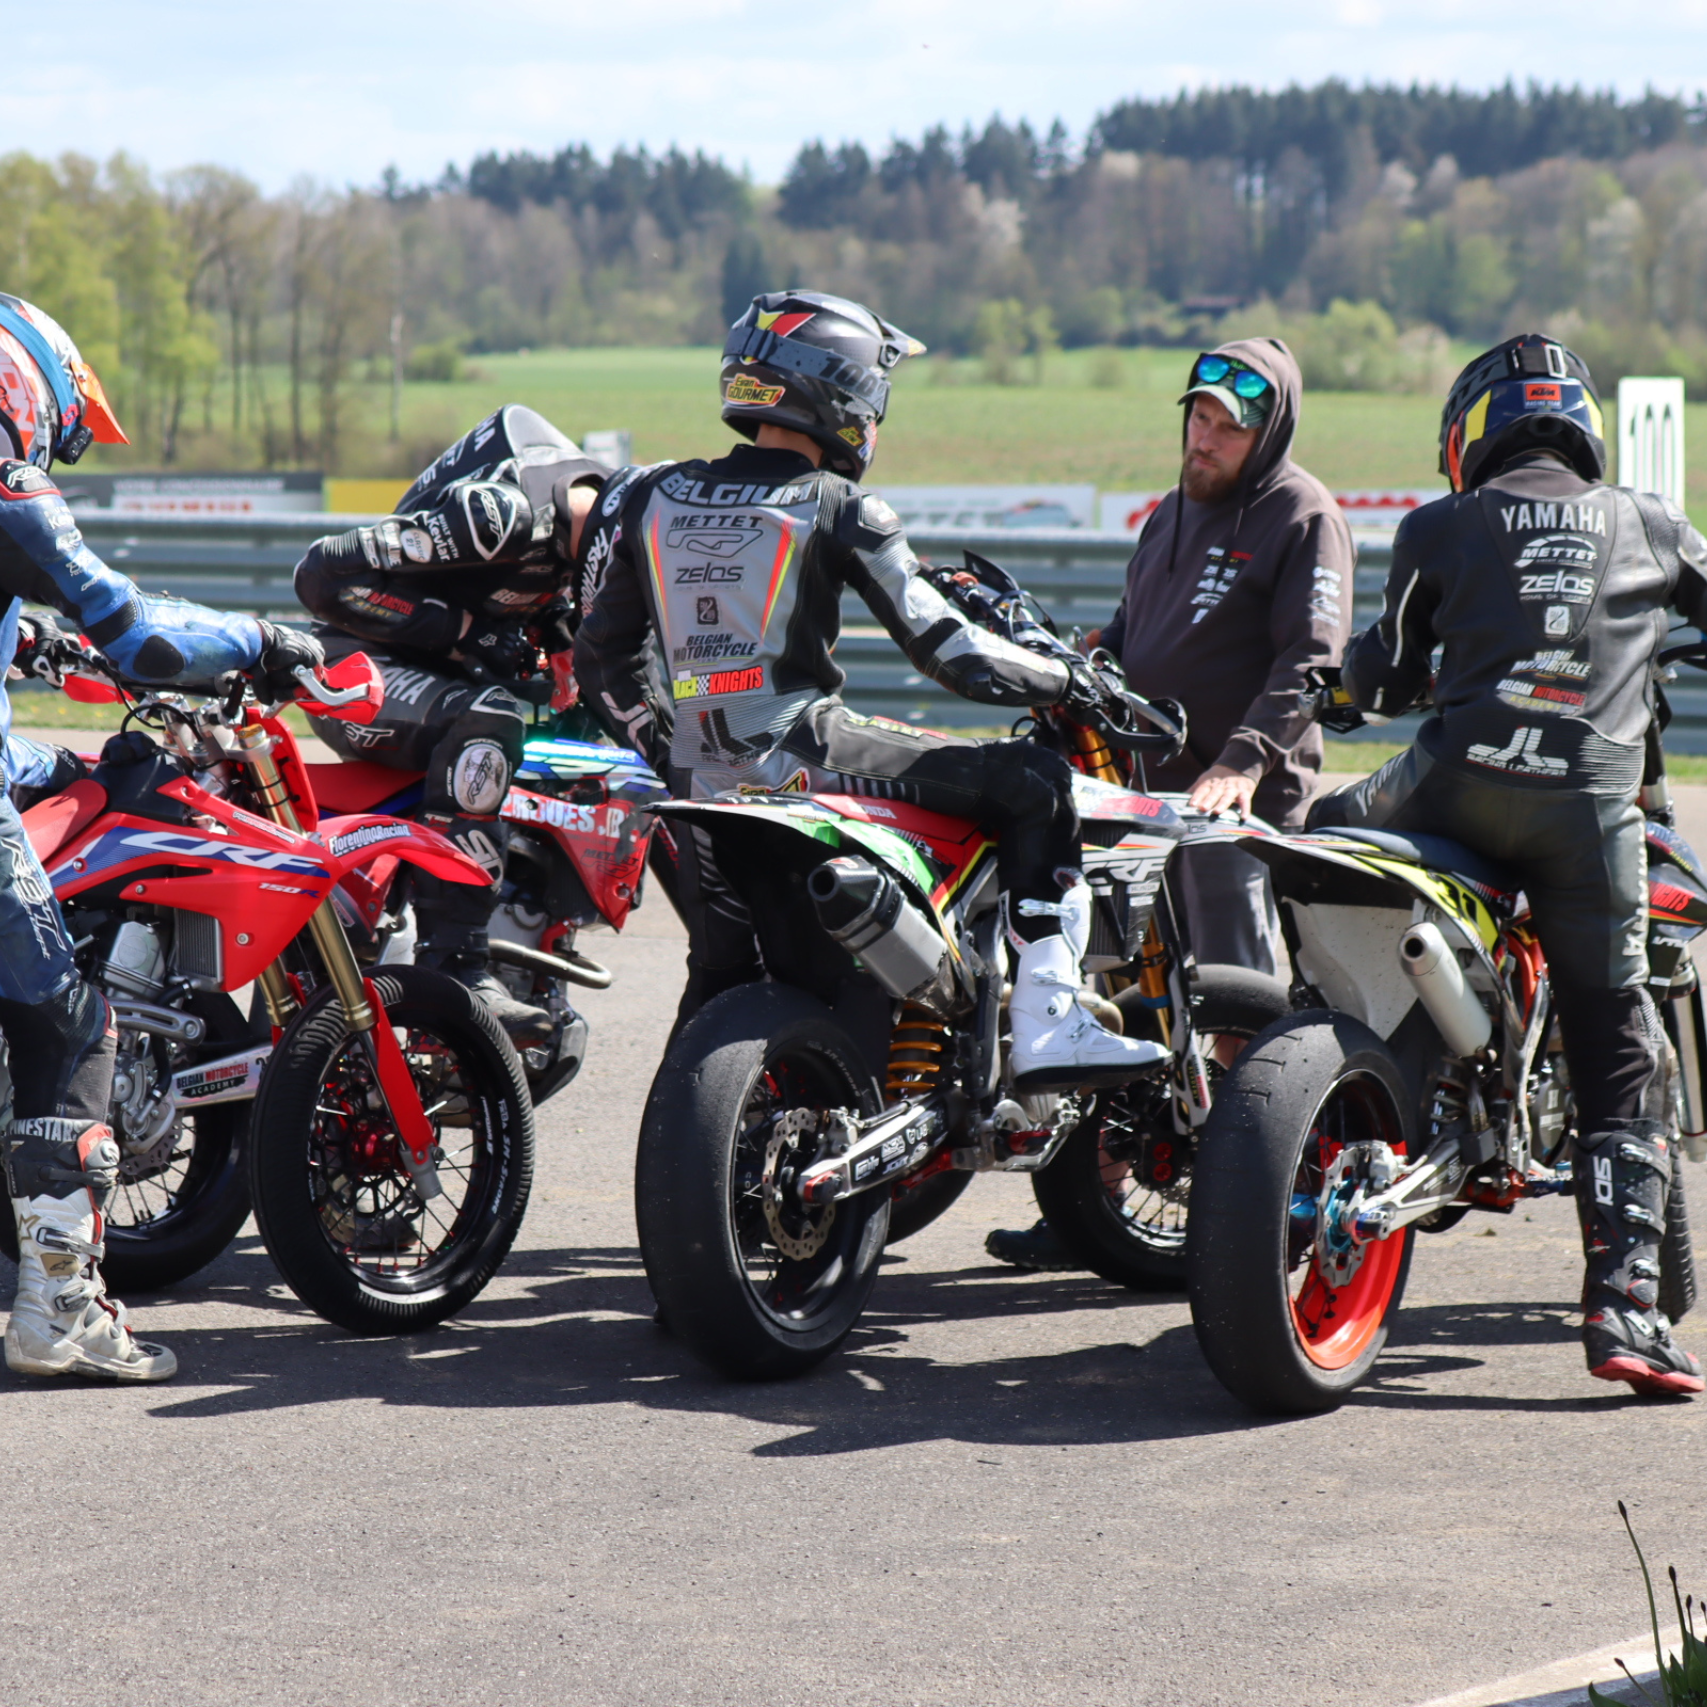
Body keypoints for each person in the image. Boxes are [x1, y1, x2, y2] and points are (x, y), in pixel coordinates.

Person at [572, 289, 1160, 1088]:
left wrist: (671, 747)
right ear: (846, 392)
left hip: (694, 788)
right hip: (806, 755)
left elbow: (600, 661)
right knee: (1038, 783)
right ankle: (1048, 1023)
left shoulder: (649, 496)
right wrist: (1068, 676)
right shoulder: (842, 505)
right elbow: (951, 653)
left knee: (715, 981)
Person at [1311, 331, 1705, 1397]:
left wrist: (1338, 692)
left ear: (1469, 436)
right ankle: (1627, 1312)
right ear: (1583, 426)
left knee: (1312, 835)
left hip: (1449, 786)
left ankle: (1308, 1075)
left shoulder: (1439, 525)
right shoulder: (1654, 522)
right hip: (1590, 810)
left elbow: (1384, 681)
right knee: (1619, 1040)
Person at [0, 290, 318, 1381]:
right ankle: (60, 1311)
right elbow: (133, 631)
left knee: (64, 774)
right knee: (67, 1023)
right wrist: (263, 638)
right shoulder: (10, 487)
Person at [990, 336, 1354, 1271]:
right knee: (1117, 1003)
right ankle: (1090, 1206)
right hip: (1138, 794)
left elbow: (1309, 661)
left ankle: (1257, 1210)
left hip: (1235, 802)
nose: (1203, 441)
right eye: (1196, 419)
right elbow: (1127, 638)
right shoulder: (1169, 514)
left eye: (1226, 429)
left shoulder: (1300, 514)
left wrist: (1241, 760)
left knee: (1234, 1009)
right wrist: (1074, 675)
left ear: (1266, 434)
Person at [293, 406, 611, 1040]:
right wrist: (466, 633)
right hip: (353, 667)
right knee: (488, 721)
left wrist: (559, 634)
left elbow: (528, 585)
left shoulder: (586, 525)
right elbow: (323, 574)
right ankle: (458, 964)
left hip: (441, 678)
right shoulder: (500, 516)